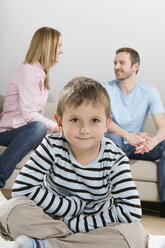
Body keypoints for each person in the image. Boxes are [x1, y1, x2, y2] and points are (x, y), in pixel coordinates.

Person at [0, 77, 147, 248]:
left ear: (107, 124)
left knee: (134, 235)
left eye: (95, 120)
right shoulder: (51, 145)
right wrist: (69, 207)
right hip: (51, 220)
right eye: (75, 120)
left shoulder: (115, 158)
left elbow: (131, 211)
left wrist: (76, 224)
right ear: (60, 122)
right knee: (10, 209)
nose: (85, 130)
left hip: (96, 226)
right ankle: (69, 243)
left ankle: (48, 245)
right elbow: (23, 188)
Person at [103, 47, 165, 218]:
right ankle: (107, 200)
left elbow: (163, 127)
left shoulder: (149, 91)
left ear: (135, 66)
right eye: (115, 63)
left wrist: (151, 142)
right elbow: (102, 121)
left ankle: (164, 205)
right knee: (112, 137)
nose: (117, 66)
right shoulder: (105, 88)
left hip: (136, 146)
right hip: (115, 142)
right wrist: (128, 136)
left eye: (122, 63)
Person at [0, 26, 63, 188]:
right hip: (7, 133)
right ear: (48, 46)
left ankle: (58, 196)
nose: (62, 51)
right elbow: (30, 116)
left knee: (60, 143)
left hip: (26, 133)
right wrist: (55, 127)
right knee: (38, 128)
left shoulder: (43, 76)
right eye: (59, 46)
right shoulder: (27, 70)